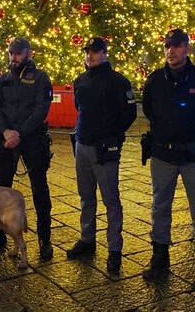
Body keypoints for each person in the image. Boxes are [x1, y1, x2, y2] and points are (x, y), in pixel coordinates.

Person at [141, 29, 195, 291]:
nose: (171, 51)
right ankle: (160, 257)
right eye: (167, 46)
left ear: (187, 48)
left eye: (176, 46)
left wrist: (193, 131)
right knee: (159, 207)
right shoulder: (155, 80)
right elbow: (149, 111)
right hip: (163, 154)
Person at [66, 37, 137, 274]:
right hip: (83, 146)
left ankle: (114, 249)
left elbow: (129, 114)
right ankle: (87, 239)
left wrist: (112, 136)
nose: (90, 56)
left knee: (111, 200)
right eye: (87, 52)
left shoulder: (118, 81)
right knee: (86, 196)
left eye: (95, 52)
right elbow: (80, 109)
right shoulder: (80, 81)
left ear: (105, 53)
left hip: (104, 148)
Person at [0, 37, 55, 260]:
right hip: (7, 139)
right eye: (11, 53)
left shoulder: (41, 78)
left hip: (32, 139)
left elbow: (40, 110)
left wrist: (19, 133)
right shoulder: (3, 79)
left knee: (39, 189)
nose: (13, 57)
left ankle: (45, 240)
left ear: (28, 53)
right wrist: (6, 131)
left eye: (18, 53)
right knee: (1, 188)